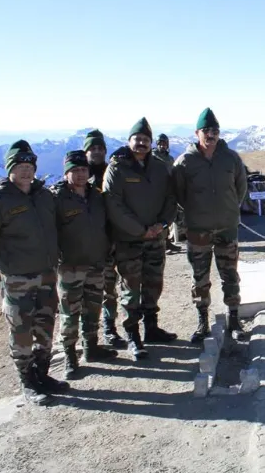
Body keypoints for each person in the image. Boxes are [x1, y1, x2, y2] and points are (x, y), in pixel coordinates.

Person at [0, 140, 69, 405]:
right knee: (21, 331)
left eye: (30, 166)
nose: (26, 171)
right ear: (10, 168)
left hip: (47, 276)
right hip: (17, 281)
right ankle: (27, 383)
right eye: (21, 166)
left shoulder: (44, 196)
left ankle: (43, 375)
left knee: (45, 329)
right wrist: (7, 265)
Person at [103, 117, 178, 360]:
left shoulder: (158, 166)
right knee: (130, 288)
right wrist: (139, 230)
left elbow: (170, 198)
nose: (142, 143)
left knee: (154, 284)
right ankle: (133, 336)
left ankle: (152, 328)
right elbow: (113, 204)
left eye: (146, 140)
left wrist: (163, 224)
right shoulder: (117, 167)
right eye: (138, 139)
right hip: (129, 240)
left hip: (156, 237)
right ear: (129, 141)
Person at [172, 107, 248, 340]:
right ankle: (202, 321)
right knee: (200, 278)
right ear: (197, 133)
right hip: (198, 230)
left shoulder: (231, 158)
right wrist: (197, 213)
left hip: (227, 227)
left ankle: (234, 319)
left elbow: (240, 188)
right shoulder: (185, 162)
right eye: (206, 131)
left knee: (230, 275)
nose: (211, 135)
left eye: (214, 130)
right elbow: (179, 194)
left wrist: (228, 210)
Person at [51, 151, 117, 379]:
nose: (80, 174)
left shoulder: (97, 196)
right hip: (70, 266)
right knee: (70, 313)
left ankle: (92, 347)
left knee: (93, 308)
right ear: (66, 172)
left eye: (83, 170)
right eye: (75, 170)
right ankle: (70, 355)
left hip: (96, 263)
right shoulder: (56, 198)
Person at [83, 129, 126, 347]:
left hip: (114, 240)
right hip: (90, 246)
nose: (97, 152)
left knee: (111, 288)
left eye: (100, 148)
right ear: (86, 151)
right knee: (89, 294)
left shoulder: (113, 171)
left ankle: (110, 329)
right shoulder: (80, 175)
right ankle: (89, 337)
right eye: (93, 148)